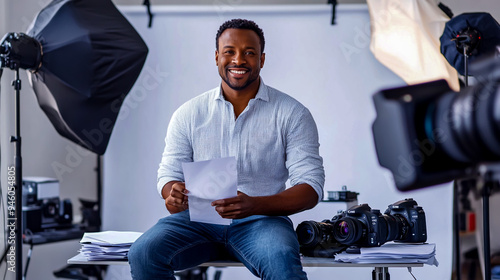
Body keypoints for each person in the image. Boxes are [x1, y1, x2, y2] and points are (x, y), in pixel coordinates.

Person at [128, 18, 325, 280]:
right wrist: (171, 193)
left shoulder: (292, 114)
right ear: (217, 57)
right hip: (198, 223)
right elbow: (168, 173)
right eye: (229, 51)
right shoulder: (188, 114)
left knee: (281, 261)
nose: (238, 60)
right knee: (143, 253)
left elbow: (311, 188)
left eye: (249, 53)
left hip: (262, 221)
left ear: (262, 60)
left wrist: (254, 205)